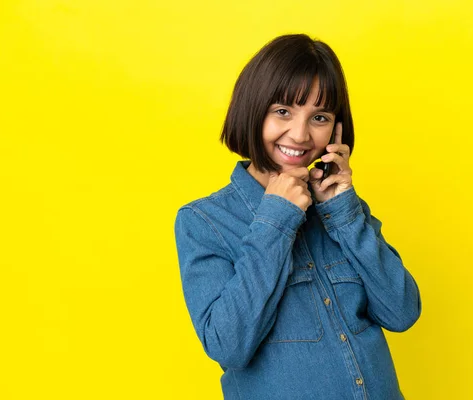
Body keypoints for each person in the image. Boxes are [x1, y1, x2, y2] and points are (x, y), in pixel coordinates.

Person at [174, 33, 422, 400]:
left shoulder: (341, 209)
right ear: (253, 109)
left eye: (319, 117)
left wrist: (345, 213)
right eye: (283, 112)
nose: (301, 134)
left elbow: (402, 312)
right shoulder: (204, 221)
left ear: (336, 129)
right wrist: (276, 219)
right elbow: (228, 346)